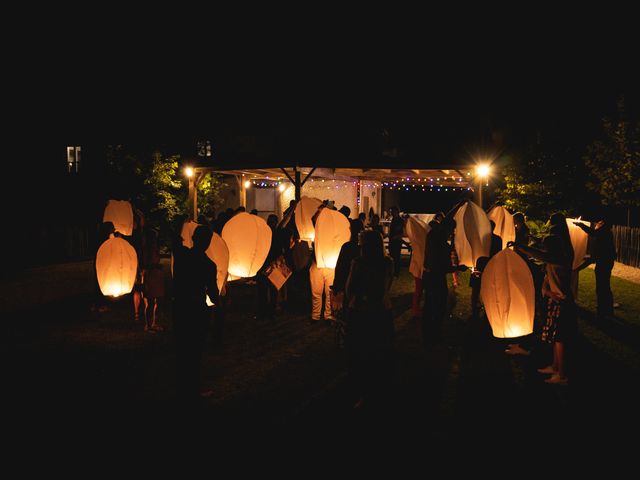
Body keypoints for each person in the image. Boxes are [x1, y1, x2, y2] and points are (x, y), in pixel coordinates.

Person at [513, 212, 575, 386]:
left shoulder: (558, 258)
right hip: (555, 300)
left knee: (560, 339)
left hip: (562, 303)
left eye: (547, 247)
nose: (545, 249)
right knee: (555, 338)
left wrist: (523, 248)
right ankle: (555, 367)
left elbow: (542, 255)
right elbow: (542, 255)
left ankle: (562, 375)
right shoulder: (556, 256)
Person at [345, 229, 395, 410]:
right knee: (379, 352)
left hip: (362, 312)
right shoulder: (388, 262)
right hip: (382, 311)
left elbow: (350, 288)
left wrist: (358, 299)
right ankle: (379, 389)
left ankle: (364, 392)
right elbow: (387, 286)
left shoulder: (358, 263)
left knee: (361, 353)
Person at [172, 224, 219, 405]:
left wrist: (179, 226)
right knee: (195, 350)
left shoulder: (182, 255)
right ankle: (193, 387)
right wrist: (218, 299)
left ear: (193, 239)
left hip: (180, 307)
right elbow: (213, 293)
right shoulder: (208, 265)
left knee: (182, 348)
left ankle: (182, 386)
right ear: (207, 243)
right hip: (197, 310)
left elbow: (175, 241)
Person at [421, 200, 467, 347]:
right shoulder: (441, 242)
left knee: (429, 305)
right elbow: (444, 268)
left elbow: (447, 218)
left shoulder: (432, 235)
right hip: (436, 277)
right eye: (451, 231)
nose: (451, 233)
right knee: (439, 306)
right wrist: (459, 268)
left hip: (428, 276)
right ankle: (434, 334)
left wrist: (459, 204)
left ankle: (428, 333)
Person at [573, 216, 616, 317]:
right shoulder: (604, 235)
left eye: (599, 223)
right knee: (603, 286)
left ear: (603, 225)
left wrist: (580, 224)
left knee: (602, 287)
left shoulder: (604, 233)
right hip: (605, 262)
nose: (597, 224)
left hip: (604, 263)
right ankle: (605, 308)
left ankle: (604, 310)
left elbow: (593, 234)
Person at [332, 219, 364, 347]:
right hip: (362, 285)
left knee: (349, 311)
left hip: (348, 284)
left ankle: (349, 338)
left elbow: (340, 267)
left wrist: (337, 285)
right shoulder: (364, 248)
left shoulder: (347, 247)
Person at [141, 226, 165, 332]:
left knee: (157, 301)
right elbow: (146, 265)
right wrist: (156, 266)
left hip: (156, 276)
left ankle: (154, 322)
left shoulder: (154, 248)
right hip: (150, 276)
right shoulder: (147, 249)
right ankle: (148, 324)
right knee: (150, 302)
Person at [90, 221, 115, 313]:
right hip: (102, 264)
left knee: (99, 284)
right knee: (101, 284)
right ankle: (100, 304)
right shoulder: (105, 240)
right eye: (112, 228)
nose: (114, 229)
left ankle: (96, 304)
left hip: (100, 264)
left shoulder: (101, 239)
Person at [388, 206, 404, 277]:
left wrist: (396, 236)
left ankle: (396, 272)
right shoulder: (394, 219)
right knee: (392, 256)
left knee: (396, 257)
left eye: (392, 211)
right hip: (392, 241)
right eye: (391, 212)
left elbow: (401, 231)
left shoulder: (400, 220)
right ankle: (393, 271)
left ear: (397, 212)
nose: (391, 213)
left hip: (396, 241)